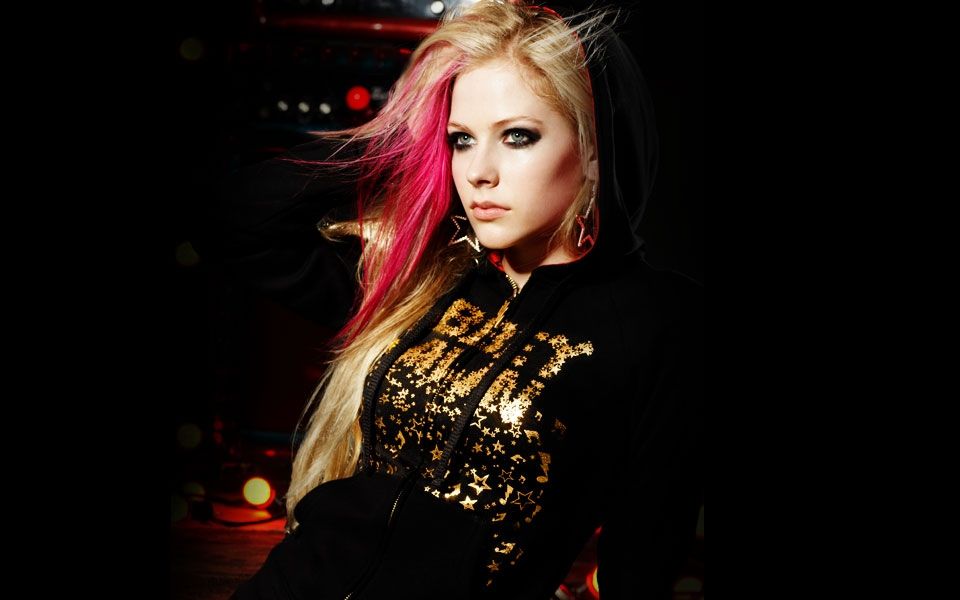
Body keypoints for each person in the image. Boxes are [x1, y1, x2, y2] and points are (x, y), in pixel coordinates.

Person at [209, 1, 703, 598]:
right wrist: (397, 144)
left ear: (596, 151)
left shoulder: (658, 321)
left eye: (517, 137)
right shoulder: (423, 281)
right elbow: (240, 217)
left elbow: (645, 552)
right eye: (461, 140)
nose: (478, 172)